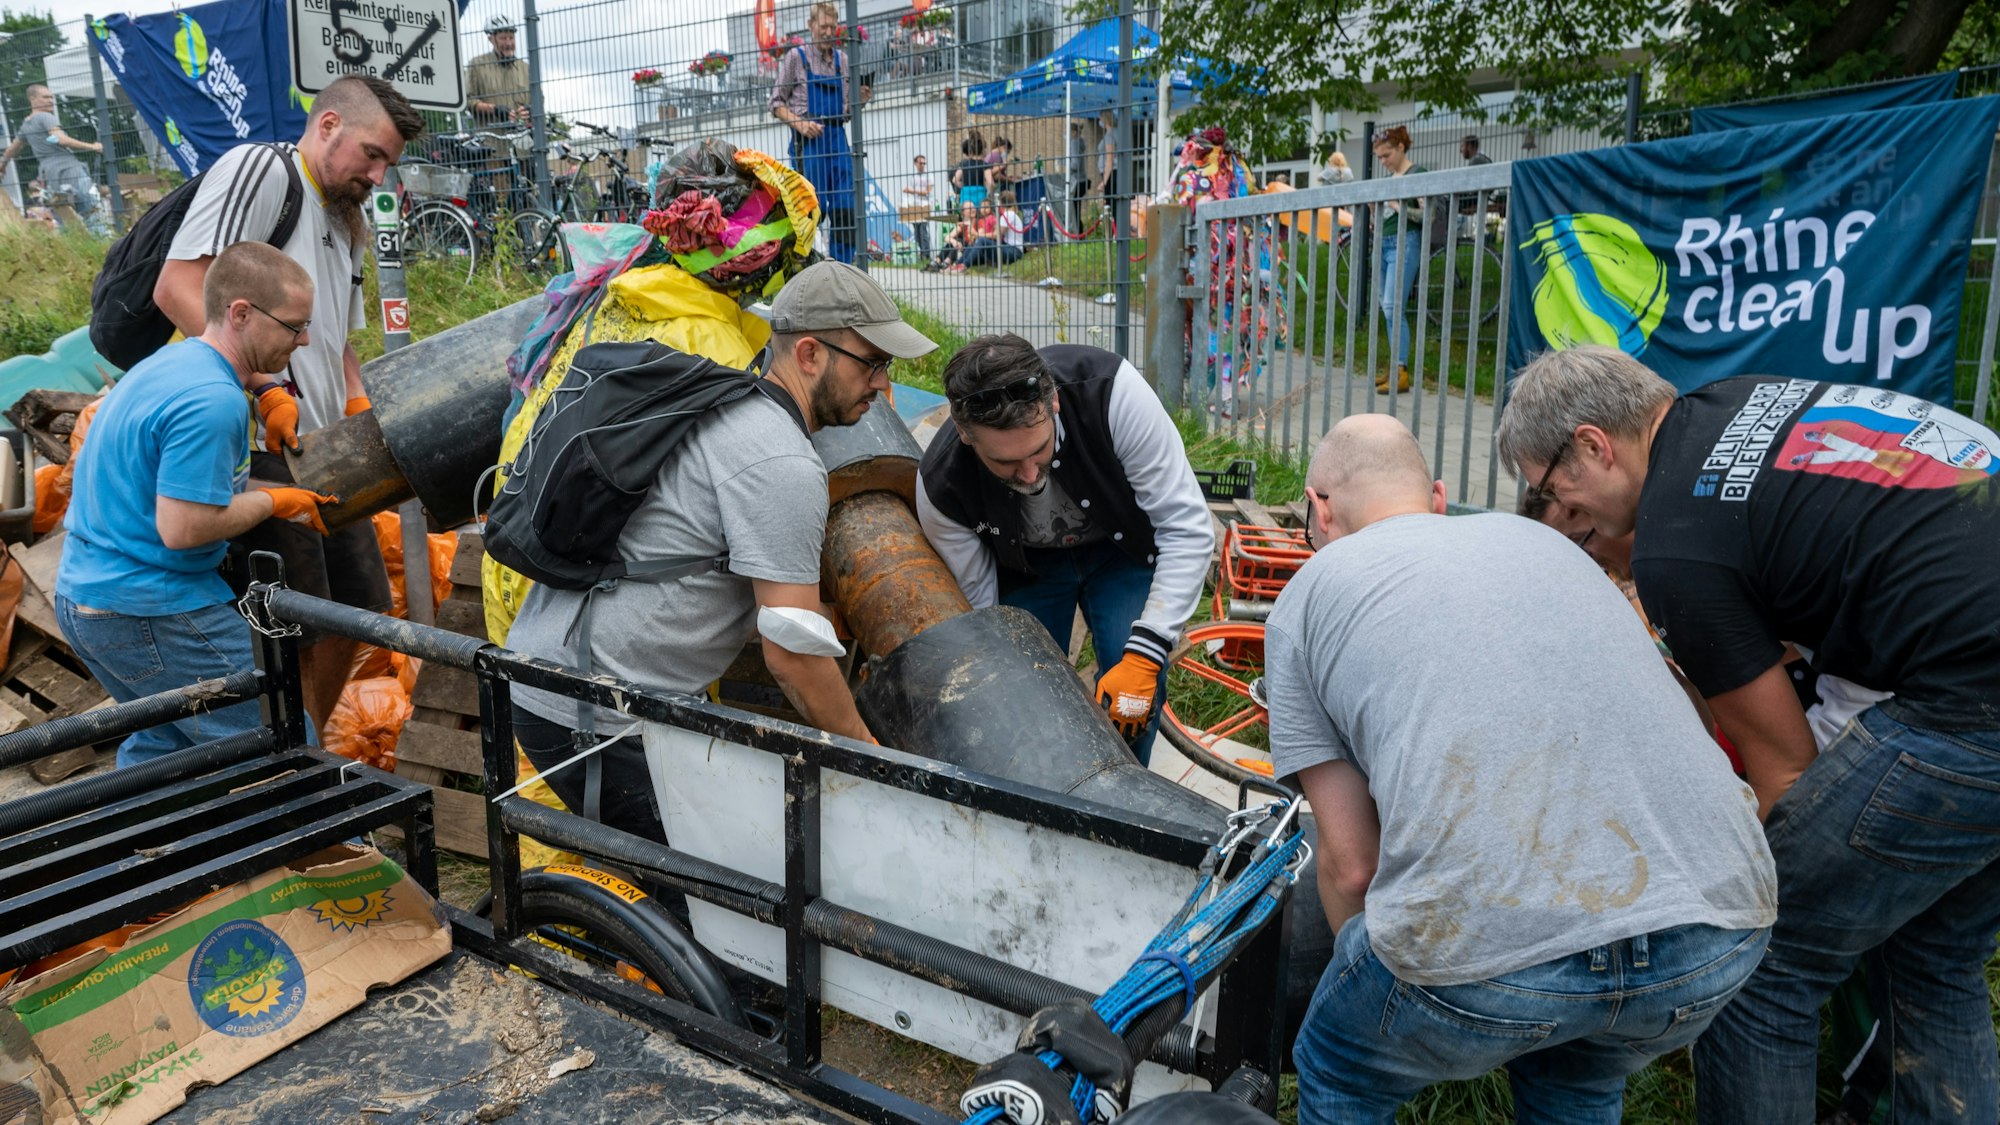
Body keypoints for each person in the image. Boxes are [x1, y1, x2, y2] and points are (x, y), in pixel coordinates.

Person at [1495, 345, 2000, 1124]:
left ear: (1593, 445)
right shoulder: (1736, 403)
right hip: (1973, 672)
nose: (1559, 521)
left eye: (1549, 493)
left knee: (1759, 961)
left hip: (1969, 706)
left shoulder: (1677, 541)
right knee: (1928, 954)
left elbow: (1788, 774)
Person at [1274, 412, 1776, 1124]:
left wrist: (1388, 997)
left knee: (1339, 1062)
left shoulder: (1309, 593)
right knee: (1576, 1075)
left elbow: (1352, 867)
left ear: (1320, 508)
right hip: (1717, 934)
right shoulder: (1552, 546)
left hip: (1494, 971)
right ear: (1438, 498)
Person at [503, 262, 938, 843]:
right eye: (874, 364)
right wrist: (868, 757)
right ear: (809, 354)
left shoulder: (731, 400)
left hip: (555, 674)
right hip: (593, 711)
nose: (884, 386)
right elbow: (794, 657)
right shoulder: (780, 461)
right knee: (737, 896)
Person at [152, 75, 423, 734]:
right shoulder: (262, 172)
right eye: (372, 154)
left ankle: (304, 754)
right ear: (327, 125)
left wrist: (358, 405)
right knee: (295, 620)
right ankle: (282, 773)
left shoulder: (345, 217)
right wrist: (265, 387)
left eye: (388, 162)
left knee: (358, 609)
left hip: (320, 447)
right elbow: (178, 286)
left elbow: (336, 341)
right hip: (251, 439)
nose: (379, 175)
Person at [57, 243, 336, 767]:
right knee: (283, 737)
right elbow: (184, 527)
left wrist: (269, 397)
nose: (304, 339)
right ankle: (342, 848)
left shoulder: (177, 362)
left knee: (164, 748)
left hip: (89, 597)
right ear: (241, 313)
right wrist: (274, 500)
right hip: (150, 608)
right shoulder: (212, 400)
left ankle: (138, 851)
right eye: (294, 326)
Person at [915, 333, 1211, 762]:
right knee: (1026, 692)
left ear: (1053, 402)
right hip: (1027, 566)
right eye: (1005, 463)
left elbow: (1185, 527)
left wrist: (1147, 654)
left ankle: (1129, 794)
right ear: (964, 433)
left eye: (1039, 449)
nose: (1031, 473)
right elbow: (981, 610)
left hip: (1120, 551)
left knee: (1132, 683)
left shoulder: (1113, 394)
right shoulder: (940, 485)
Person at [771, 1, 870, 264]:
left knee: (845, 208)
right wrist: (800, 124)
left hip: (837, 141)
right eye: (823, 26)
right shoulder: (796, 57)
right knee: (809, 208)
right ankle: (805, 267)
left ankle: (843, 268)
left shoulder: (843, 61)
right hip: (808, 144)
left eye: (832, 26)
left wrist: (861, 99)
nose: (828, 31)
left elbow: (847, 111)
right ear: (811, 25)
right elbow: (776, 103)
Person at [0, 84, 108, 236]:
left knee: (63, 215)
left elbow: (12, 148)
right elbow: (60, 139)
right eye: (45, 97)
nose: (51, 101)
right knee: (92, 208)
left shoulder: (26, 124)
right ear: (33, 99)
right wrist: (92, 146)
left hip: (49, 175)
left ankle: (72, 249)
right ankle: (104, 244)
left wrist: (3, 165)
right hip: (69, 169)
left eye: (51, 97)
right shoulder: (46, 117)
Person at [1370, 125, 1427, 395]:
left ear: (1401, 147)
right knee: (1387, 308)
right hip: (1382, 243)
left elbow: (1428, 216)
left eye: (1387, 155)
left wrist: (1395, 204)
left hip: (1405, 243)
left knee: (1393, 308)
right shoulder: (1390, 177)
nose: (1383, 161)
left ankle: (1401, 371)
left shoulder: (1417, 174)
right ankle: (1394, 367)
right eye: (1380, 157)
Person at [465, 14, 531, 126]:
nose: (509, 44)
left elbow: (539, 101)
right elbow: (467, 101)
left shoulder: (525, 68)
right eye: (503, 38)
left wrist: (529, 109)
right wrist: (494, 109)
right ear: (491, 39)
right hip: (491, 139)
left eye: (511, 38)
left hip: (523, 139)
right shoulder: (477, 65)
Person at [902, 153, 934, 259]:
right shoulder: (912, 176)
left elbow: (927, 191)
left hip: (925, 205)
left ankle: (926, 253)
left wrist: (912, 191)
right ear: (915, 163)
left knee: (923, 230)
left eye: (924, 163)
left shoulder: (929, 175)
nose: (923, 165)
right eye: (920, 163)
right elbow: (906, 190)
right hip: (914, 205)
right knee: (916, 232)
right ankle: (921, 252)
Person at [952, 131, 989, 210]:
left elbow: (955, 180)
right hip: (980, 195)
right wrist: (989, 192)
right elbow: (990, 183)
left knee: (967, 218)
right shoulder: (984, 165)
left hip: (966, 195)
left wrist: (965, 186)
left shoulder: (964, 164)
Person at [1093, 109, 1119, 206]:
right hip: (1115, 174)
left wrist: (1104, 182)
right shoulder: (1118, 132)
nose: (1099, 120)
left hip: (1111, 175)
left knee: (1111, 204)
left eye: (1100, 118)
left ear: (1105, 119)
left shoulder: (1109, 135)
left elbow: (1109, 160)